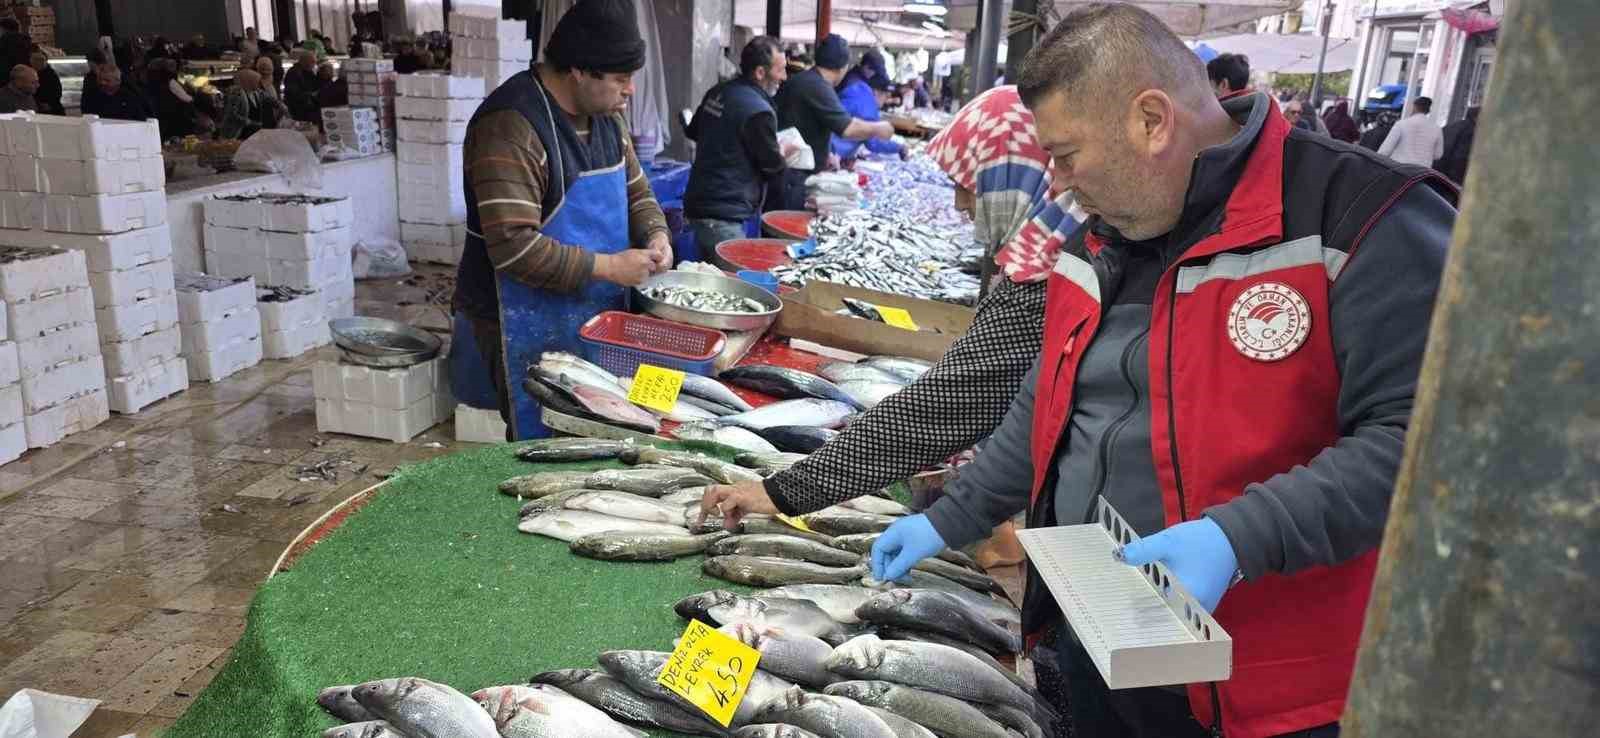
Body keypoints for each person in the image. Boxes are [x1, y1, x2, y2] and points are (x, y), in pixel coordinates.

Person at [860, 5, 1455, 737]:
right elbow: (1047, 405)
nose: (1058, 183)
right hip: (1096, 635)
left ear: (1151, 120)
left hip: (1271, 692)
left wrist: (1239, 537)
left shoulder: (1362, 219)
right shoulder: (1099, 236)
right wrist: (951, 515)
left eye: (1068, 154)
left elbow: (1429, 446)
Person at [701, 84, 1081, 562]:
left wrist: (780, 492)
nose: (962, 206)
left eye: (971, 184)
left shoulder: (1049, 278)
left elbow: (949, 404)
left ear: (1015, 173)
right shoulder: (1058, 251)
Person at [450, 0, 671, 441]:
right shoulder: (511, 126)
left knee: (610, 428)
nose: (630, 91)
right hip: (520, 317)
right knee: (548, 436)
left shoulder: (607, 118)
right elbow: (514, 247)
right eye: (621, 79)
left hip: (597, 311)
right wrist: (610, 267)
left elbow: (638, 193)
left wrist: (657, 234)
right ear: (580, 71)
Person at [683, 36, 790, 253]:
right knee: (730, 281)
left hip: (699, 202)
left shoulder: (719, 91)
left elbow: (693, 131)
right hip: (724, 214)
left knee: (708, 276)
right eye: (780, 70)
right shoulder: (759, 111)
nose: (784, 77)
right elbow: (772, 167)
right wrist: (785, 153)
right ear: (760, 73)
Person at [771, 34, 894, 210]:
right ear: (844, 67)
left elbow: (808, 122)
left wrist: (827, 153)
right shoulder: (817, 86)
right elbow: (848, 128)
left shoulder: (807, 80)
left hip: (788, 172)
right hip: (792, 178)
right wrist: (880, 128)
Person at [830, 50, 904, 162]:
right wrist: (900, 147)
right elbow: (873, 143)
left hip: (826, 147)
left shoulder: (851, 81)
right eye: (885, 95)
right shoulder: (864, 98)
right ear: (876, 92)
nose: (886, 100)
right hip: (832, 154)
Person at [1380, 95, 1445, 167]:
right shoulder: (1437, 129)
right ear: (1428, 110)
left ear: (1414, 107)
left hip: (1399, 169)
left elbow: (1385, 150)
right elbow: (1438, 155)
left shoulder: (1402, 124)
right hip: (1422, 171)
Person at [146, 58, 204, 139]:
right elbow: (186, 99)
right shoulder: (169, 81)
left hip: (158, 116)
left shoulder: (149, 81)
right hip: (173, 117)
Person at [217, 69, 281, 139]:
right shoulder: (236, 93)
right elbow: (232, 114)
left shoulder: (254, 91)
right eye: (256, 81)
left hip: (253, 132)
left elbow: (267, 97)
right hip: (238, 133)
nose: (258, 84)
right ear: (249, 80)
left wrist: (280, 105)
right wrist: (249, 122)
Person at [80, 64, 154, 121]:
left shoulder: (129, 97)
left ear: (117, 81)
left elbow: (140, 119)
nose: (102, 83)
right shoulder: (92, 97)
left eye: (106, 80)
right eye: (100, 79)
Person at [1434, 106, 1479, 185]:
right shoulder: (1471, 131)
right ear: (1477, 117)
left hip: (1436, 170)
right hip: (1450, 177)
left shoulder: (1451, 126)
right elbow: (1460, 158)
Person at [282, 49, 323, 123]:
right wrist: (311, 95)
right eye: (312, 62)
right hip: (298, 108)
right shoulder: (293, 73)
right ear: (305, 62)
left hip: (307, 106)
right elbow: (293, 93)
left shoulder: (308, 71)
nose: (314, 65)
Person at [30, 50, 61, 115]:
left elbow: (57, 93)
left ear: (46, 61)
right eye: (36, 59)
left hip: (51, 110)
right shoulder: (29, 73)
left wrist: (49, 104)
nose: (38, 62)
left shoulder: (51, 75)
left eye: (41, 60)